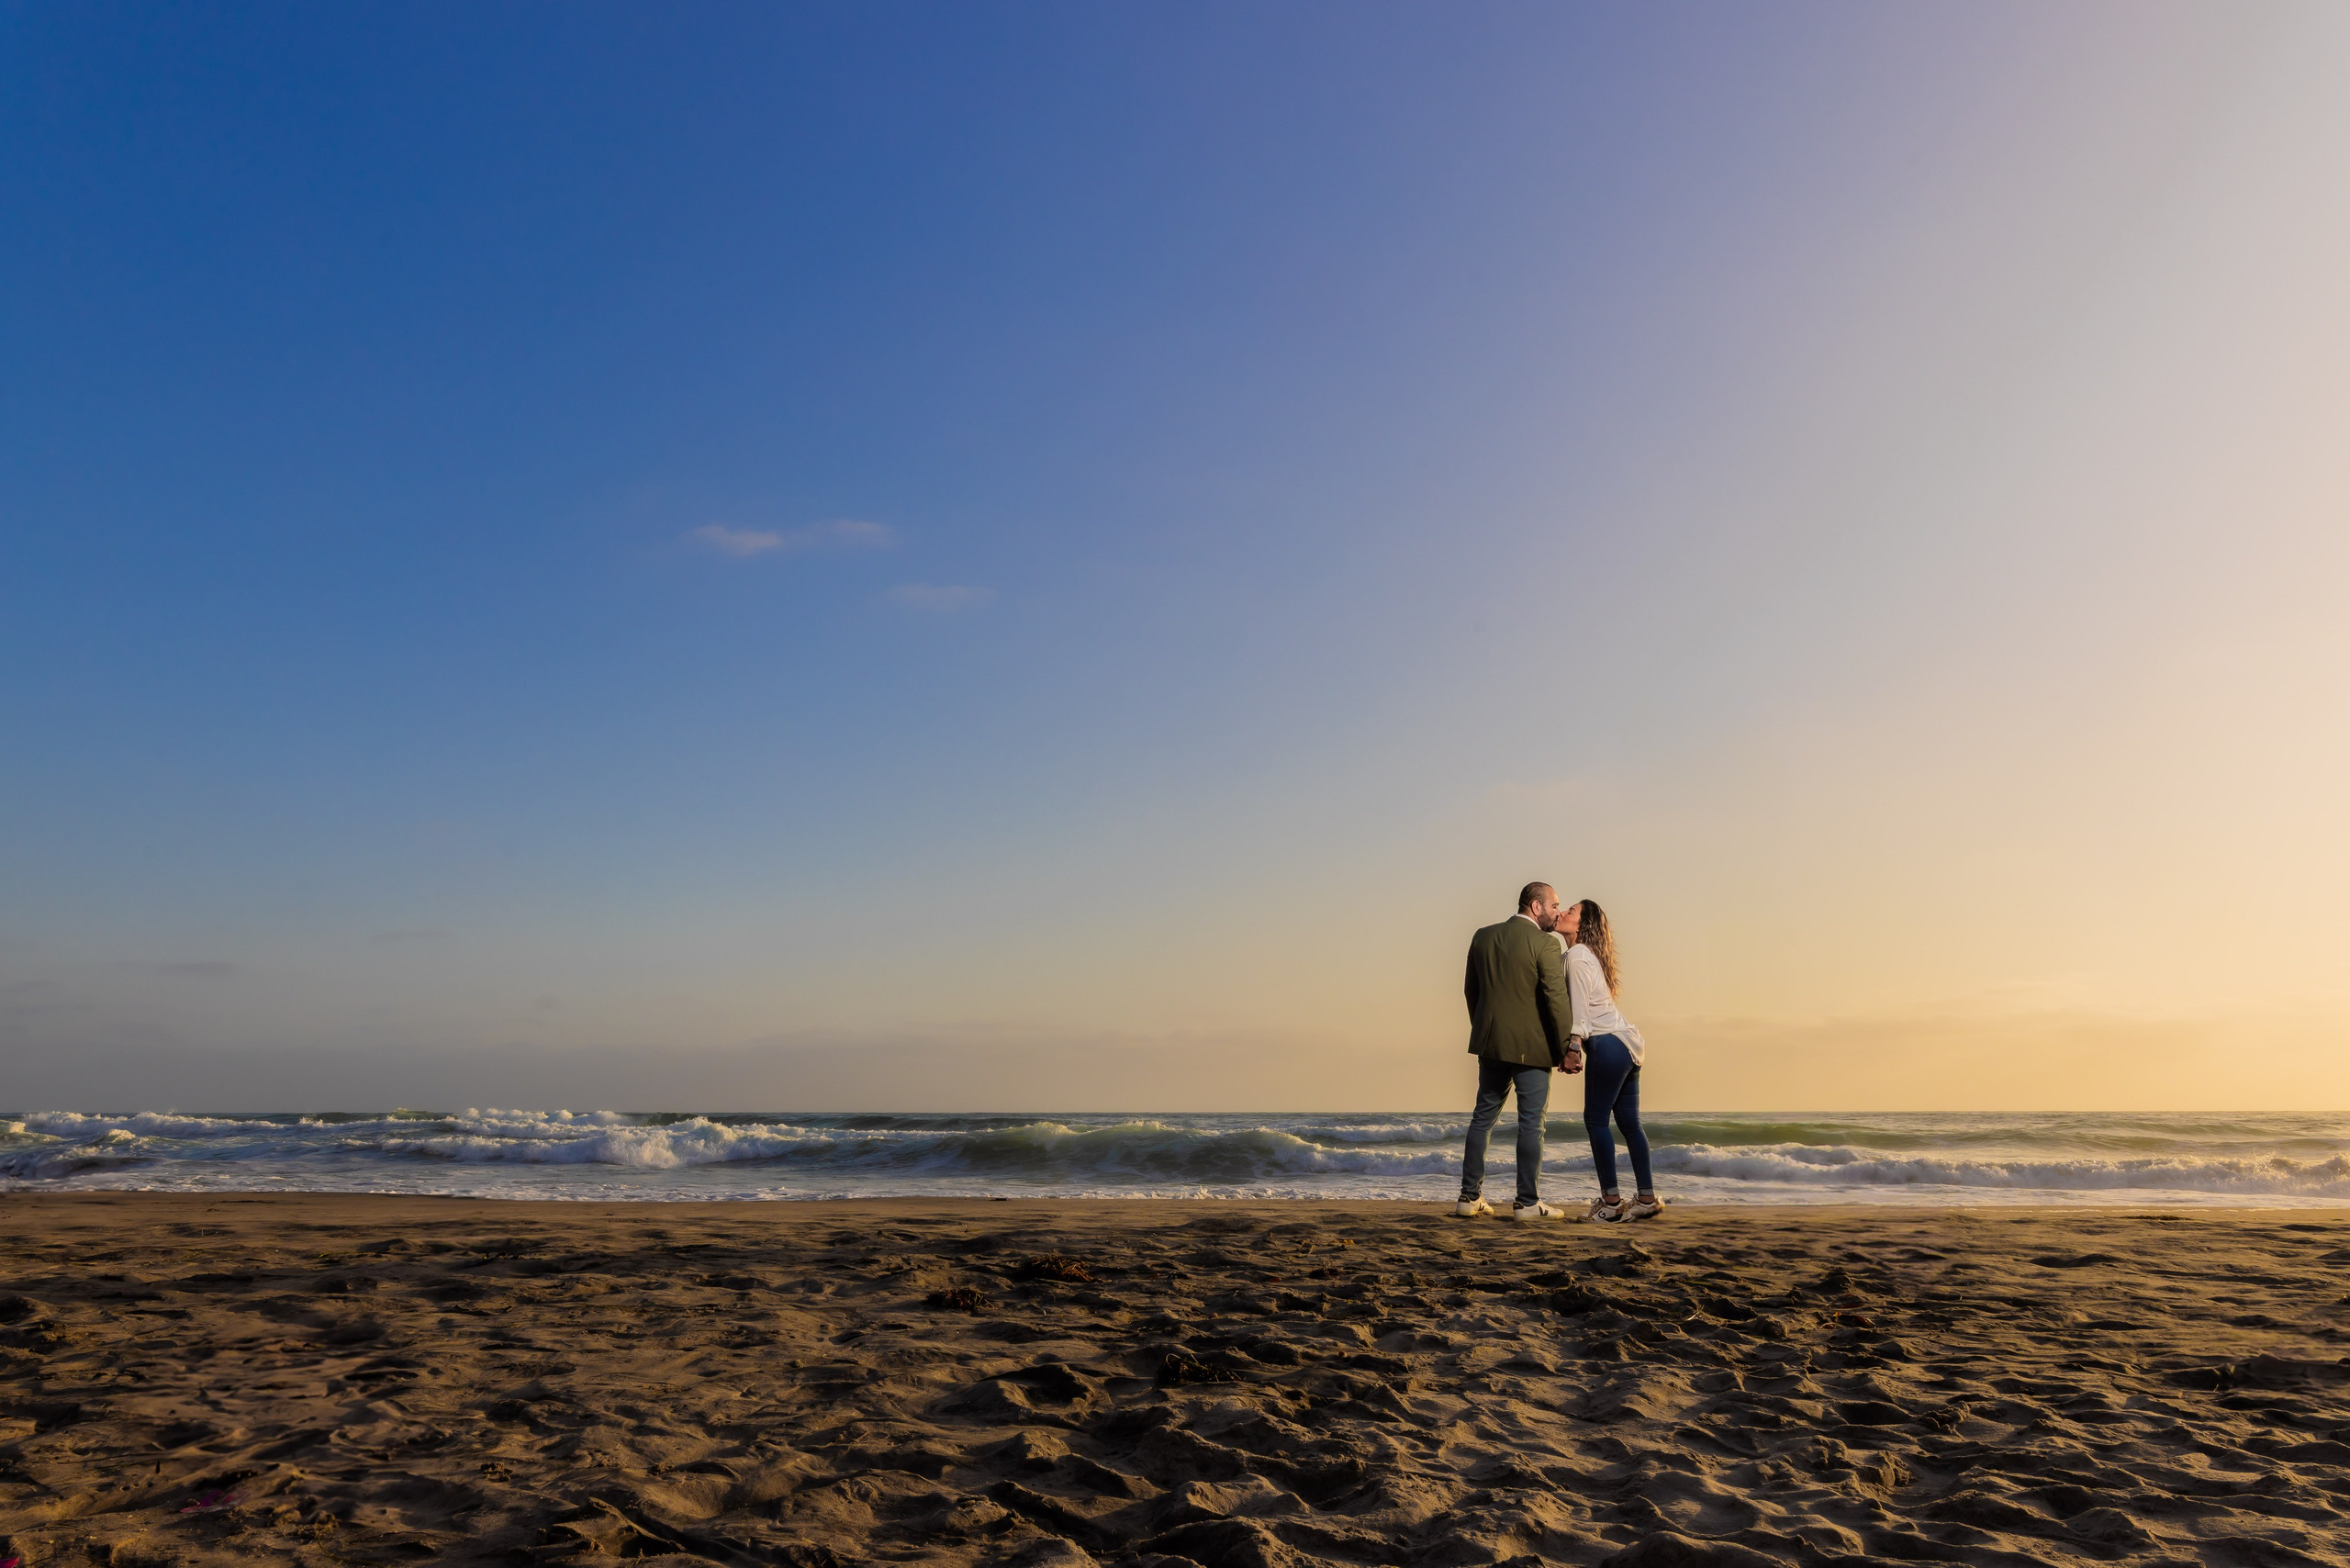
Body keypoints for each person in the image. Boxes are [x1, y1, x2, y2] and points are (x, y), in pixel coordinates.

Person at [1456, 881, 1583, 1221]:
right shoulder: (1545, 943)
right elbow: (1556, 1000)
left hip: (1490, 1043)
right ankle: (1527, 1203)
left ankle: (1469, 1198)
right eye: (1555, 905)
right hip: (1533, 1049)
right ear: (1536, 907)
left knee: (1482, 1119)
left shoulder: (1482, 936)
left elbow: (1472, 991)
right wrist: (1566, 1048)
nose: (1559, 910)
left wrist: (1485, 1030)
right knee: (1531, 1124)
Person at [1557, 898, 1662, 1222]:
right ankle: (1646, 1199)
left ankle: (1611, 1204)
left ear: (1582, 924)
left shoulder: (1576, 957)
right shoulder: (1586, 956)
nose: (1562, 913)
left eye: (1570, 911)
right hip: (1629, 1045)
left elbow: (1580, 1010)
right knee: (1630, 1125)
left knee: (1596, 1121)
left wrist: (1573, 1046)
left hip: (1609, 1045)